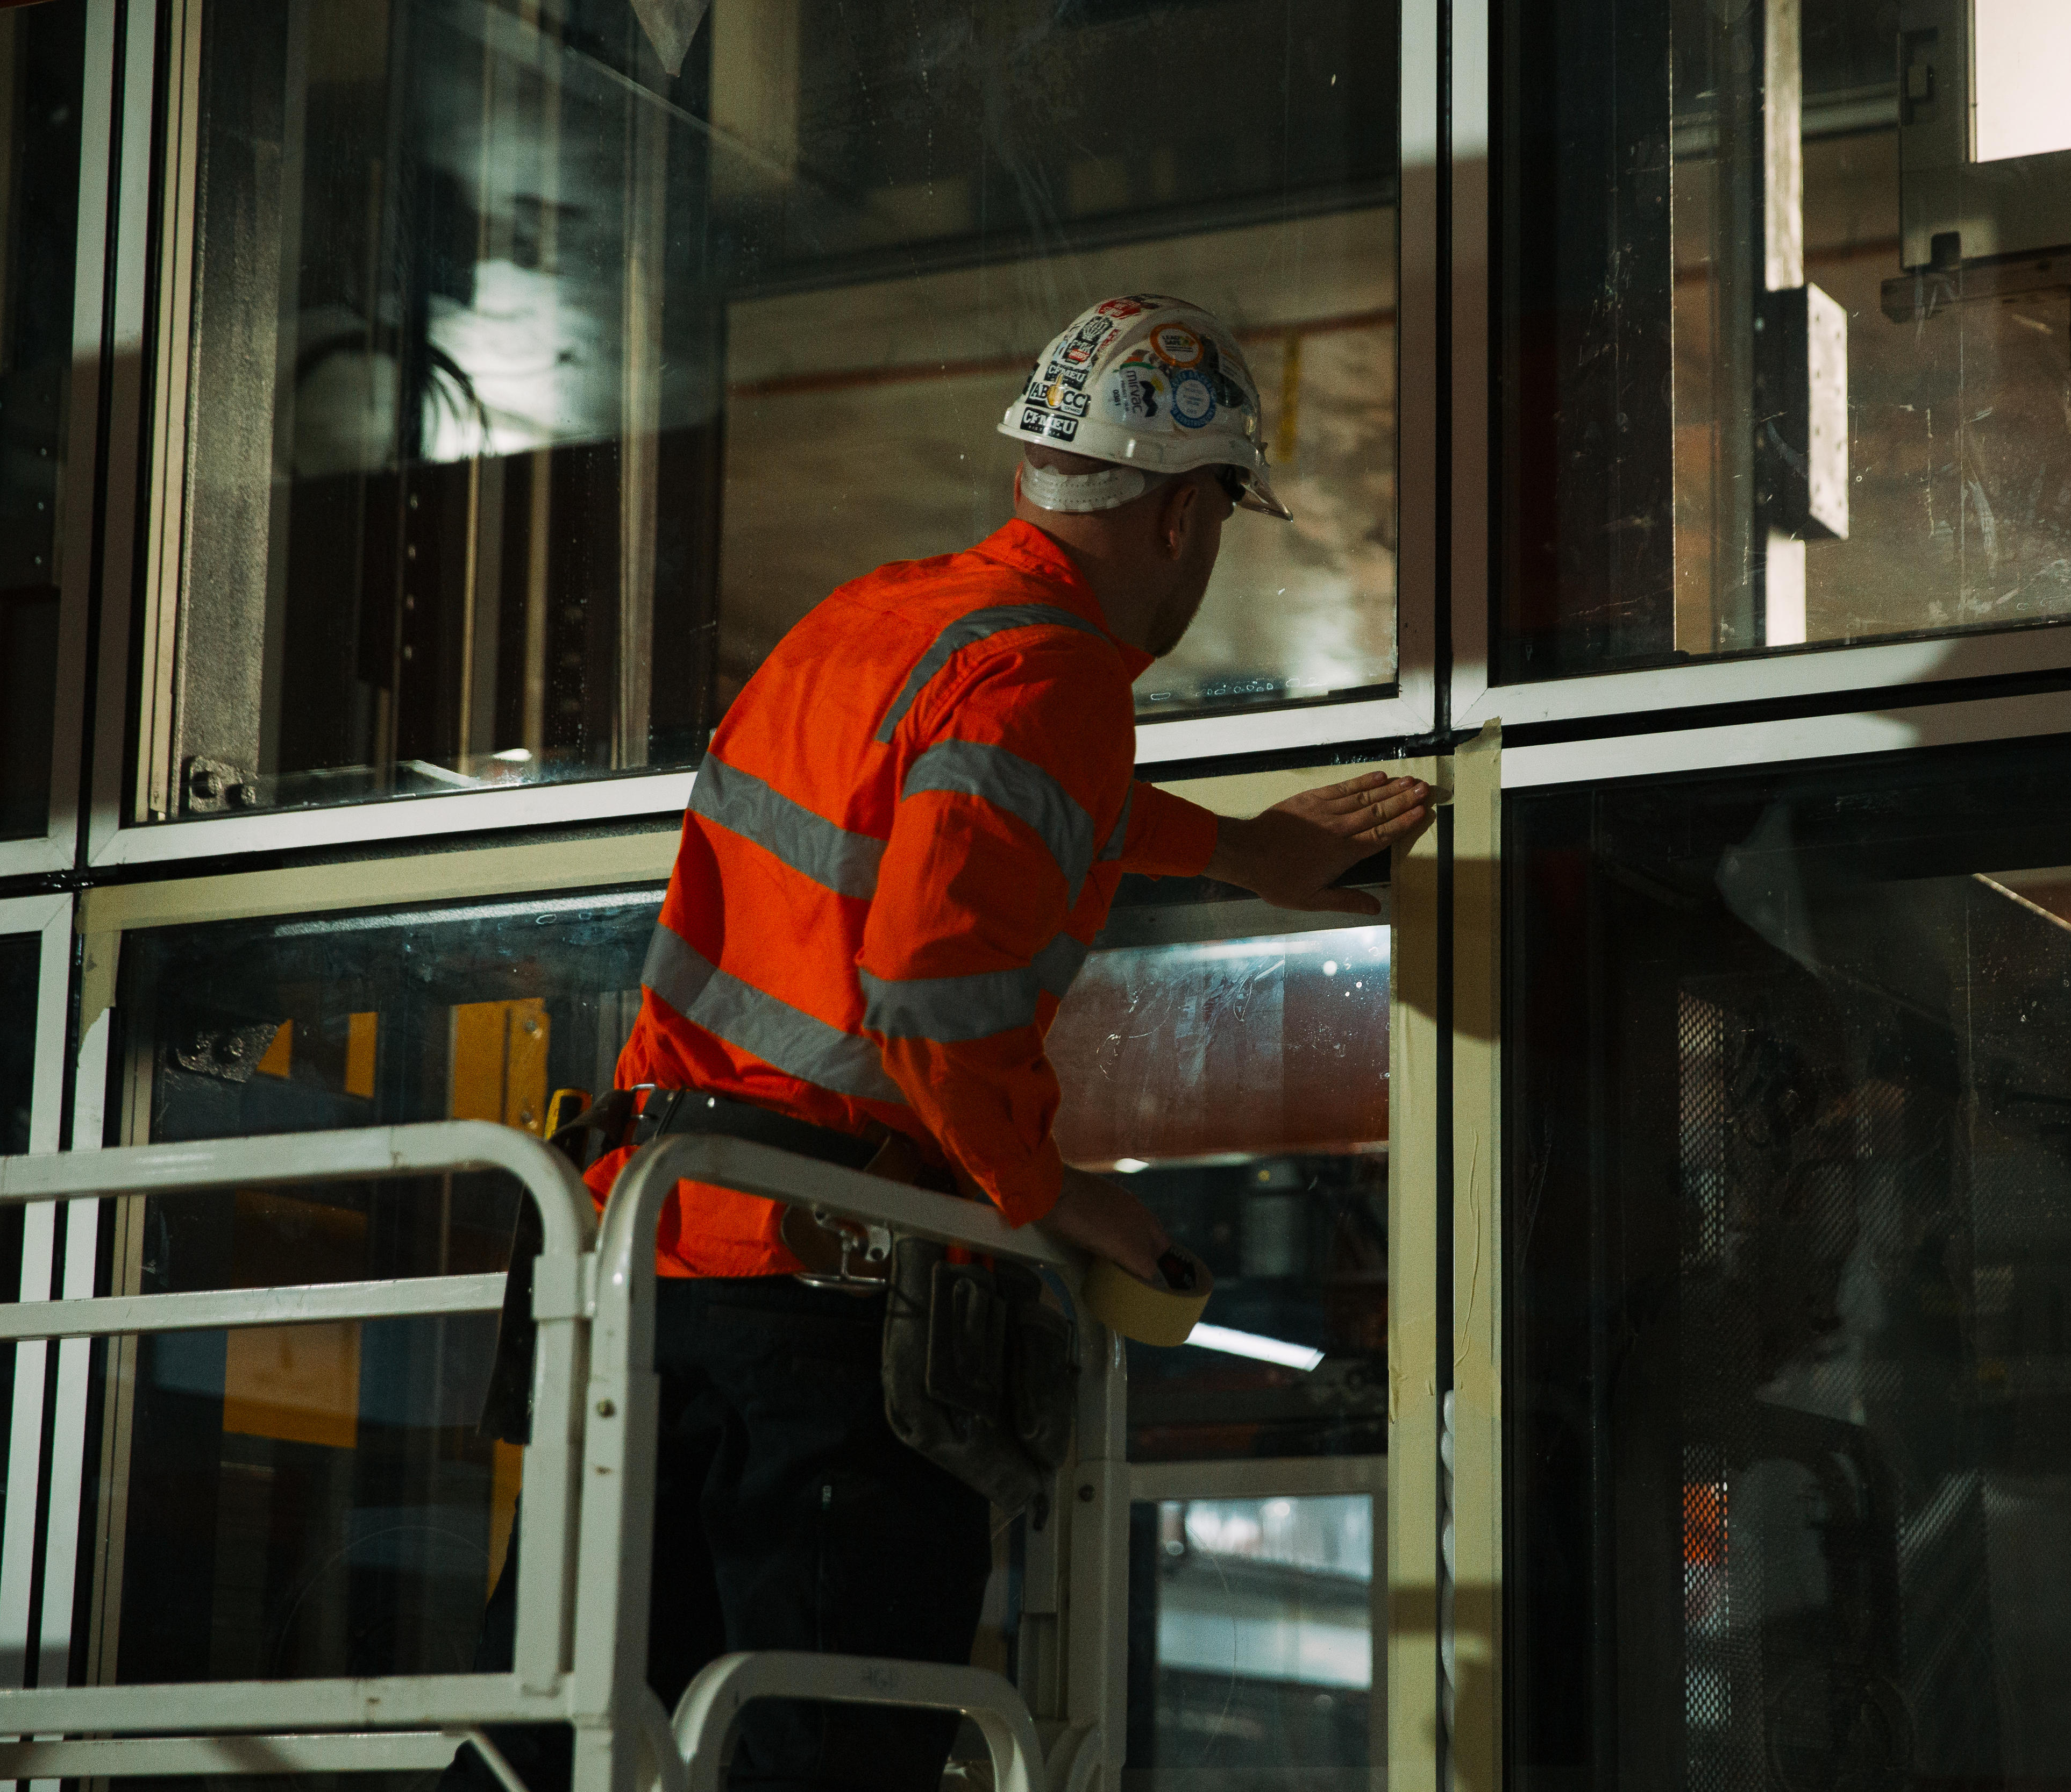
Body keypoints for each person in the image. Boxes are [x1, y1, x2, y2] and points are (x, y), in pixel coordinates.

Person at [442, 295, 1429, 1792]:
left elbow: (976, 810)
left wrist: (1237, 855)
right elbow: (926, 987)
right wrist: (1050, 1196)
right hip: (827, 1297)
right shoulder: (1058, 675)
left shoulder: (871, 622)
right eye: (1220, 519)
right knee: (830, 1751)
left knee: (559, 1748)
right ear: (1180, 514)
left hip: (658, 1268)